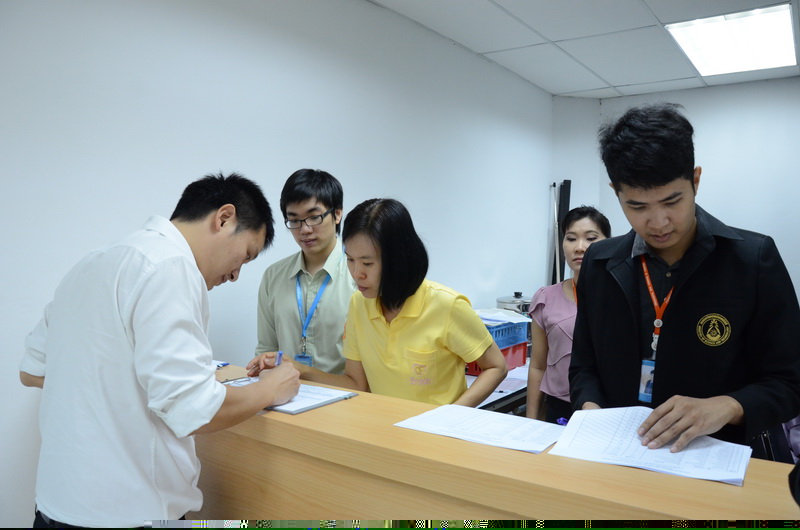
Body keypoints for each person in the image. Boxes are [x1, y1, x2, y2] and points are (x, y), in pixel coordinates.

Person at [19, 173, 300, 528]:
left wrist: (121, 383)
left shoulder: (91, 263)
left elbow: (33, 370)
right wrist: (270, 389)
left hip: (55, 506)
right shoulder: (170, 266)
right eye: (245, 256)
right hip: (128, 514)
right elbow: (196, 410)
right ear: (224, 218)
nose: (235, 276)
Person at [569, 102, 800, 454]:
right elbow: (583, 366)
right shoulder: (599, 263)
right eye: (637, 206)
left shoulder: (753, 260)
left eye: (672, 201)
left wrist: (728, 406)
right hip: (618, 455)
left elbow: (789, 382)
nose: (658, 222)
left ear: (695, 180)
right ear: (616, 192)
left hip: (714, 459)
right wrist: (591, 410)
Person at [249, 198, 508, 406]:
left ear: (399, 260)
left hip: (435, 438)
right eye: (350, 260)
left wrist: (452, 414)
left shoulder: (447, 305)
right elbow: (356, 385)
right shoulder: (359, 305)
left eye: (367, 263)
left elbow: (496, 366)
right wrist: (299, 369)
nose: (357, 273)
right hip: (382, 433)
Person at [251, 169, 356, 375]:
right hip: (286, 390)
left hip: (345, 391)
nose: (304, 230)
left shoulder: (359, 275)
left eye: (314, 217)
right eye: (294, 220)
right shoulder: (273, 276)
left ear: (337, 214)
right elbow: (266, 348)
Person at [526, 206, 610, 423]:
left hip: (607, 409)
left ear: (609, 243)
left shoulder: (620, 297)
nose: (580, 247)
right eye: (571, 239)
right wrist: (531, 420)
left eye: (591, 238)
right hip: (559, 408)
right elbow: (538, 366)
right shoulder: (546, 298)